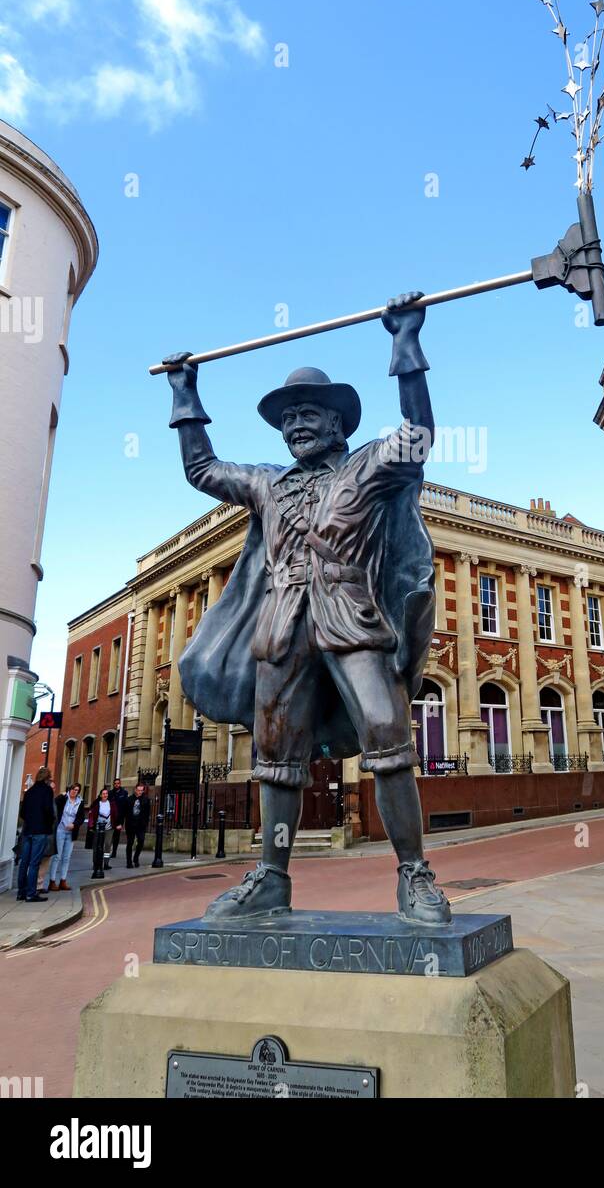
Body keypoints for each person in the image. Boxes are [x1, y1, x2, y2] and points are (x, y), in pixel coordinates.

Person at [162, 291, 451, 926]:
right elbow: (203, 470)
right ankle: (271, 878)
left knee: (387, 733)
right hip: (281, 624)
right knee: (276, 756)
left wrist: (404, 341)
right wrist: (186, 393)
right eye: (288, 417)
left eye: (309, 414)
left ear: (338, 422)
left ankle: (414, 875)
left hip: (351, 616)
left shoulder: (369, 468)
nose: (296, 425)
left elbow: (418, 436)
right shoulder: (267, 481)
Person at [17, 767, 55, 902]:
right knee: (34, 863)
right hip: (40, 831)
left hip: (28, 831)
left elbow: (22, 813)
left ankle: (21, 892)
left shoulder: (29, 792)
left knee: (24, 862)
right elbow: (49, 810)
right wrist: (49, 823)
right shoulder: (47, 791)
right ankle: (31, 893)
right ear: (47, 778)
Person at [47, 783, 85, 891]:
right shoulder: (63, 798)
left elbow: (81, 817)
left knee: (66, 857)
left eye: (77, 790)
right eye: (73, 789)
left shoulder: (80, 802)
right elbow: (53, 803)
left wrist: (75, 824)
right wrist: (60, 795)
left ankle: (63, 881)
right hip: (60, 830)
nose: (74, 791)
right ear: (69, 789)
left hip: (71, 832)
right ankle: (52, 881)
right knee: (57, 856)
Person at [125, 783, 150, 867]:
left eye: (141, 790)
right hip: (131, 824)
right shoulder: (129, 799)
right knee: (130, 843)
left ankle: (136, 858)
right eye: (138, 790)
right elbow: (124, 813)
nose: (139, 792)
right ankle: (129, 861)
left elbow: (147, 813)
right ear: (135, 790)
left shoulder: (146, 800)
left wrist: (145, 824)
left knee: (141, 841)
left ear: (143, 791)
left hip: (141, 825)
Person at [108, 777, 128, 859]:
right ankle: (108, 850)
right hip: (110, 818)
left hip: (119, 818)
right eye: (115, 784)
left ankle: (114, 851)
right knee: (109, 835)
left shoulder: (124, 793)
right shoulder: (110, 793)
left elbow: (125, 807)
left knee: (116, 836)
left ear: (120, 784)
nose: (116, 785)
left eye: (118, 783)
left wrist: (122, 821)